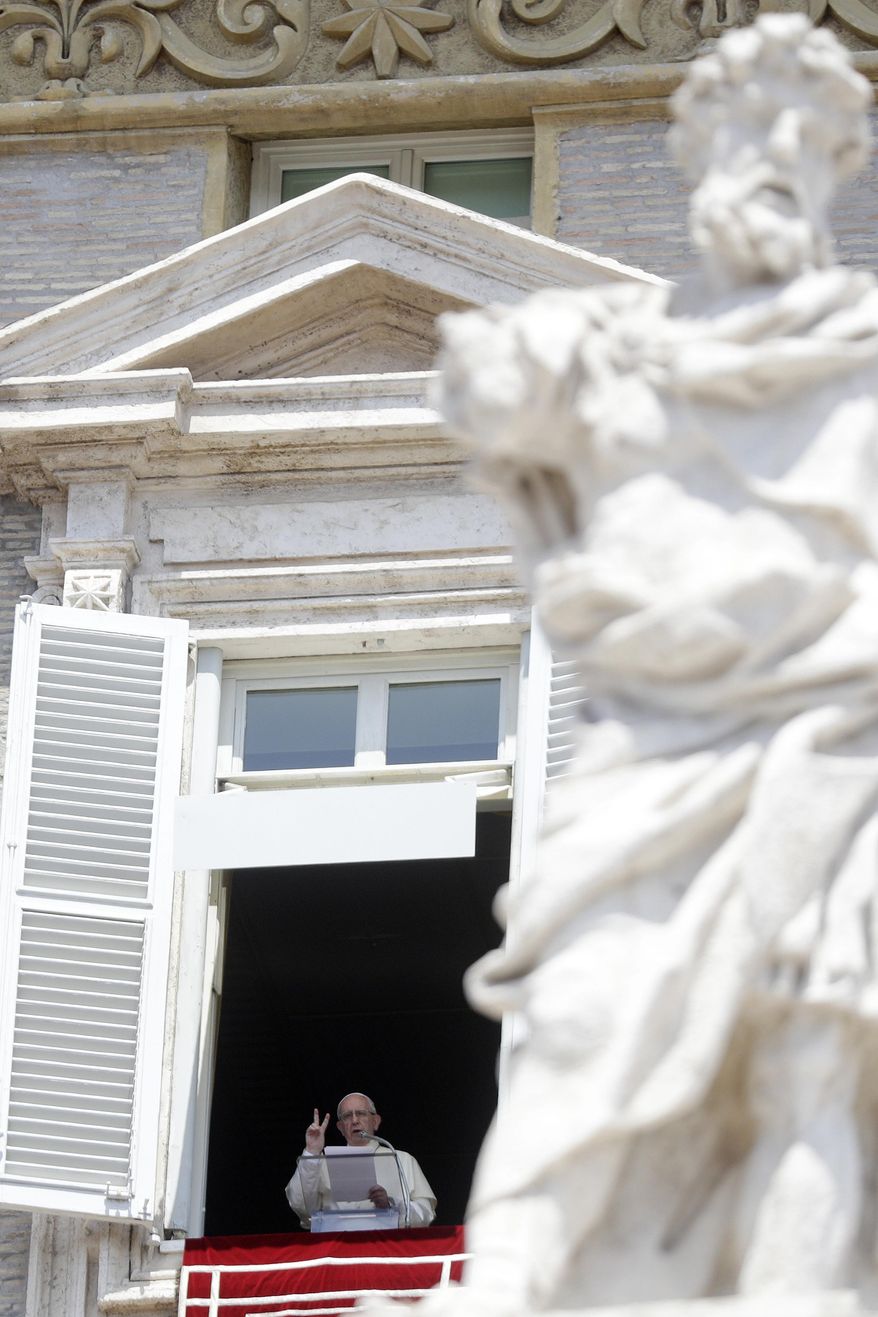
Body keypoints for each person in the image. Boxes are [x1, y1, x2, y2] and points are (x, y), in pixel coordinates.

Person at [286, 1091, 437, 1229]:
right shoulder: (320, 1163)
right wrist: (312, 1152)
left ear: (375, 1121)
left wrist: (391, 1205)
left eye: (361, 1113)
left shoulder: (401, 1159)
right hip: (335, 1249)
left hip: (387, 1249)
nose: (355, 1120)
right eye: (347, 1116)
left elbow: (426, 1214)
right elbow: (302, 1207)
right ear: (340, 1127)